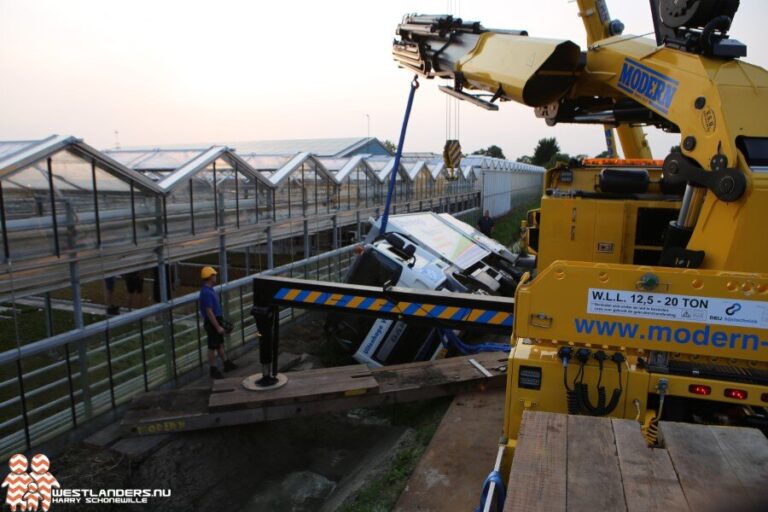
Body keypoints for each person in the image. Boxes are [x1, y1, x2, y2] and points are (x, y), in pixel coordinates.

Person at [199, 266, 237, 379]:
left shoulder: (209, 290)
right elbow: (209, 312)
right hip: (212, 322)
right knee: (212, 346)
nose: (216, 276)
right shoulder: (206, 292)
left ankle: (226, 363)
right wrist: (217, 327)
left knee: (219, 343)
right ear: (210, 277)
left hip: (215, 320)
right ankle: (213, 369)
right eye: (214, 274)